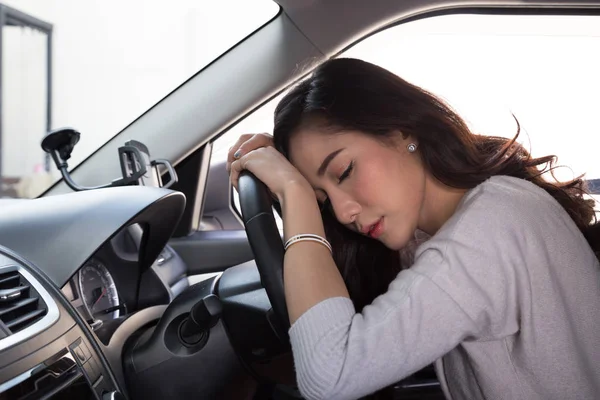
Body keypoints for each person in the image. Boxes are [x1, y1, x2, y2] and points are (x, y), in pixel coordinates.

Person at [227, 58, 600, 400]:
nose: (342, 213)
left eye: (344, 172)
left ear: (402, 131)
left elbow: (329, 375)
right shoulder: (442, 223)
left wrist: (295, 193)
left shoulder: (486, 233)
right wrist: (288, 183)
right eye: (323, 198)